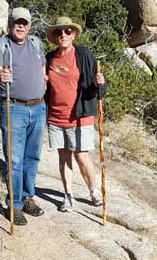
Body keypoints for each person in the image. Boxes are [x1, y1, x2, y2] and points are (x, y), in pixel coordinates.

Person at [0, 7, 46, 226]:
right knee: (14, 159)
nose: (20, 26)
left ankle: (28, 197)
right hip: (14, 108)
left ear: (29, 26)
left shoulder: (36, 43)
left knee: (32, 157)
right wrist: (0, 75)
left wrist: (43, 83)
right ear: (10, 24)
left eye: (24, 23)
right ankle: (15, 204)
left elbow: (42, 69)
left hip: (39, 107)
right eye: (16, 22)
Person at [45, 16, 106, 212]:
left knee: (81, 155)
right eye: (58, 32)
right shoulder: (49, 59)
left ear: (73, 35)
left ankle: (93, 191)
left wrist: (100, 83)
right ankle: (68, 195)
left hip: (80, 116)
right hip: (56, 117)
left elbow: (96, 88)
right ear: (54, 37)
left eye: (67, 31)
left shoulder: (83, 54)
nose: (63, 35)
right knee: (64, 157)